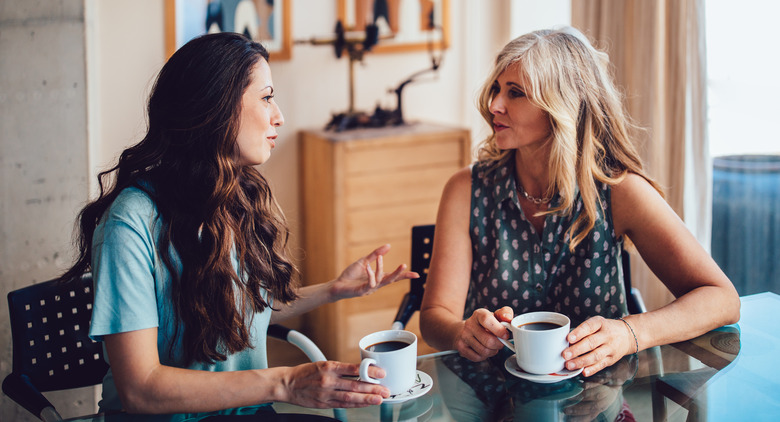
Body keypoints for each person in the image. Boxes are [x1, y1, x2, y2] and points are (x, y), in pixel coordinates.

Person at [59, 32, 416, 418]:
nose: (279, 115)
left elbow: (234, 311)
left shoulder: (231, 195)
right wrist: (286, 382)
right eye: (265, 97)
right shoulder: (128, 223)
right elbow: (140, 389)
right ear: (216, 107)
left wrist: (333, 290)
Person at [419, 26, 740, 378]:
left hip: (598, 397)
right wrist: (461, 332)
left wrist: (630, 332)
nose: (494, 104)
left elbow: (722, 298)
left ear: (562, 106)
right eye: (497, 89)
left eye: (515, 93)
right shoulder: (466, 189)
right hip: (488, 394)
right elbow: (435, 317)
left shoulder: (619, 191)